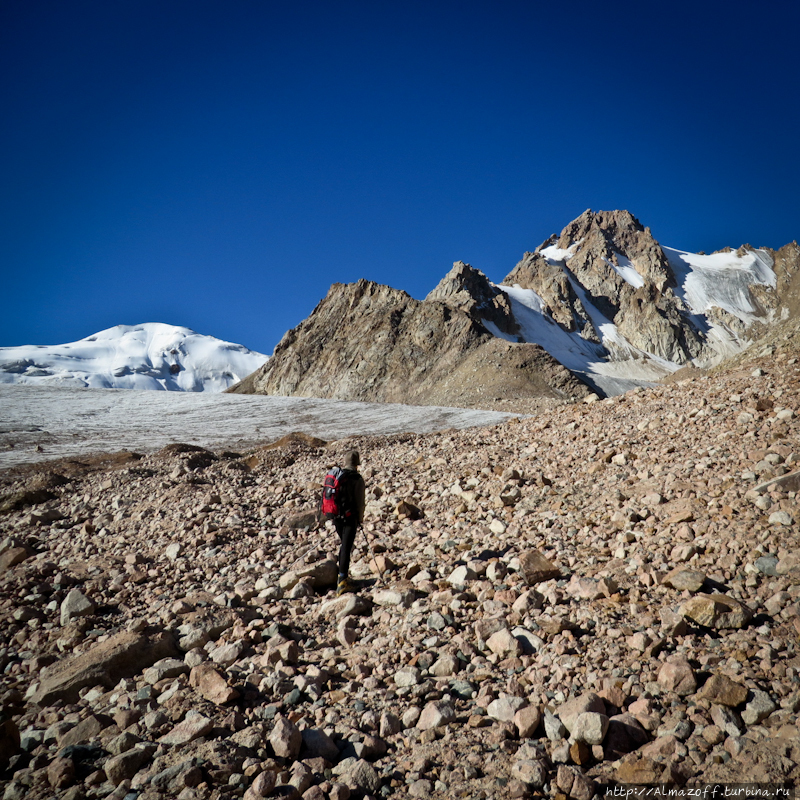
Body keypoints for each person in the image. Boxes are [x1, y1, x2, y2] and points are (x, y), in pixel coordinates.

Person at [333, 450, 366, 596]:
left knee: (344, 545)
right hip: (349, 517)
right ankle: (342, 583)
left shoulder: (338, 476)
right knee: (346, 547)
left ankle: (342, 577)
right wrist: (360, 518)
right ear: (357, 463)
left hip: (336, 517)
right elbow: (360, 503)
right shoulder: (357, 478)